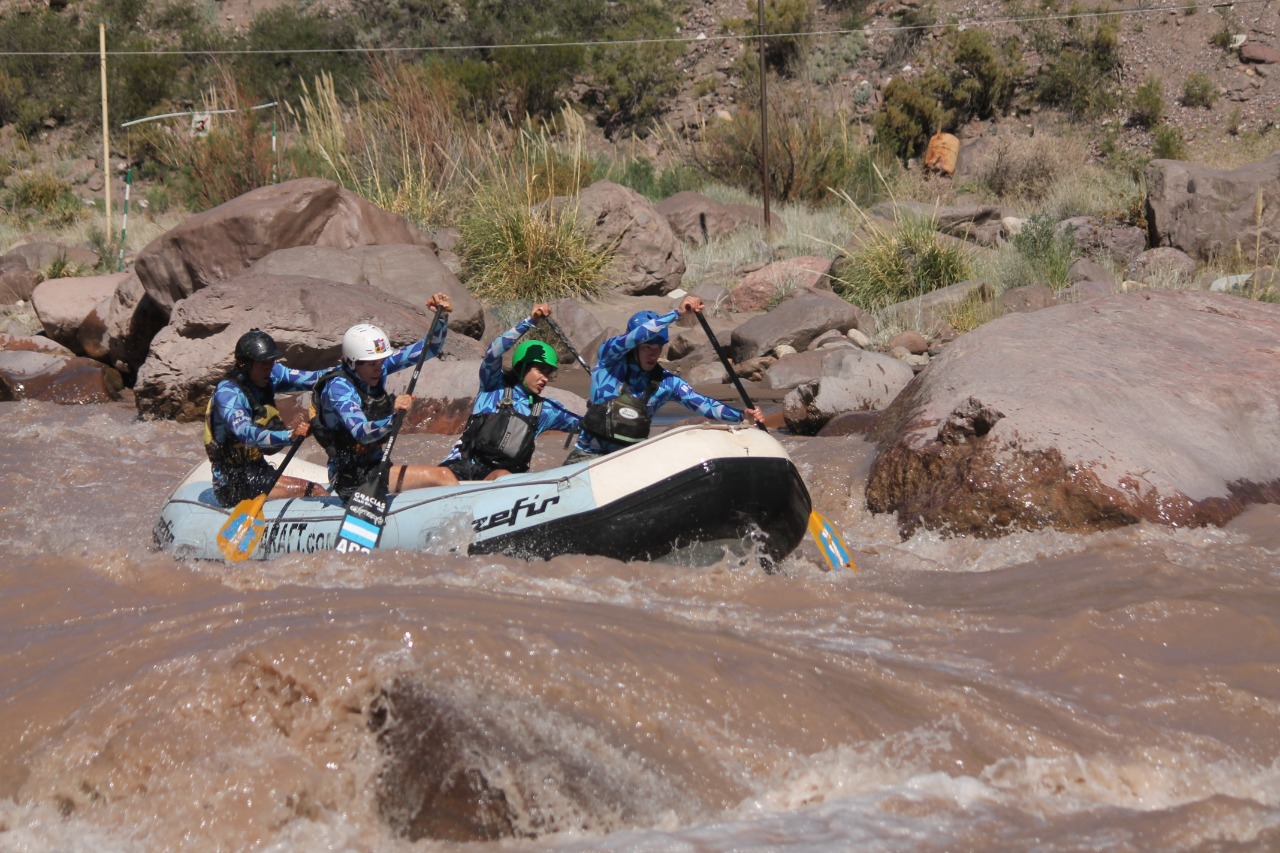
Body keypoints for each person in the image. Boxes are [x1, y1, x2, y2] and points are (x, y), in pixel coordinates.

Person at [566, 294, 765, 464]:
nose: (653, 354)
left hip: (628, 460)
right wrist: (676, 314)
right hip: (588, 455)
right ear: (634, 347)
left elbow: (703, 404)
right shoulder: (609, 360)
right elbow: (635, 337)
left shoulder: (667, 383)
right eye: (647, 347)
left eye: (658, 347)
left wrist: (742, 416)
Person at [310, 294, 460, 500]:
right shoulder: (339, 388)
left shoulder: (375, 367)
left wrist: (441, 318)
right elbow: (361, 432)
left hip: (376, 467)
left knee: (442, 476)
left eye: (381, 362)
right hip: (351, 477)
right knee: (442, 476)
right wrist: (393, 417)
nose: (379, 369)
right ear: (352, 362)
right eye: (372, 364)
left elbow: (429, 349)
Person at [440, 303, 583, 481]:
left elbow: (585, 425)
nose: (545, 378)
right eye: (540, 370)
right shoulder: (493, 386)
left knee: (502, 475)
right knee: (441, 474)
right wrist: (531, 321)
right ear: (522, 367)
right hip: (459, 470)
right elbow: (493, 352)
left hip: (503, 481)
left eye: (548, 373)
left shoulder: (546, 411)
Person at [203, 328, 330, 508]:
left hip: (258, 470)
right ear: (245, 364)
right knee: (315, 490)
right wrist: (290, 435)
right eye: (263, 363)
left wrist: (347, 369)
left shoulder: (271, 374)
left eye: (271, 362)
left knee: (314, 490)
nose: (269, 368)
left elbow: (316, 378)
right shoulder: (228, 394)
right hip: (232, 482)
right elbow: (245, 433)